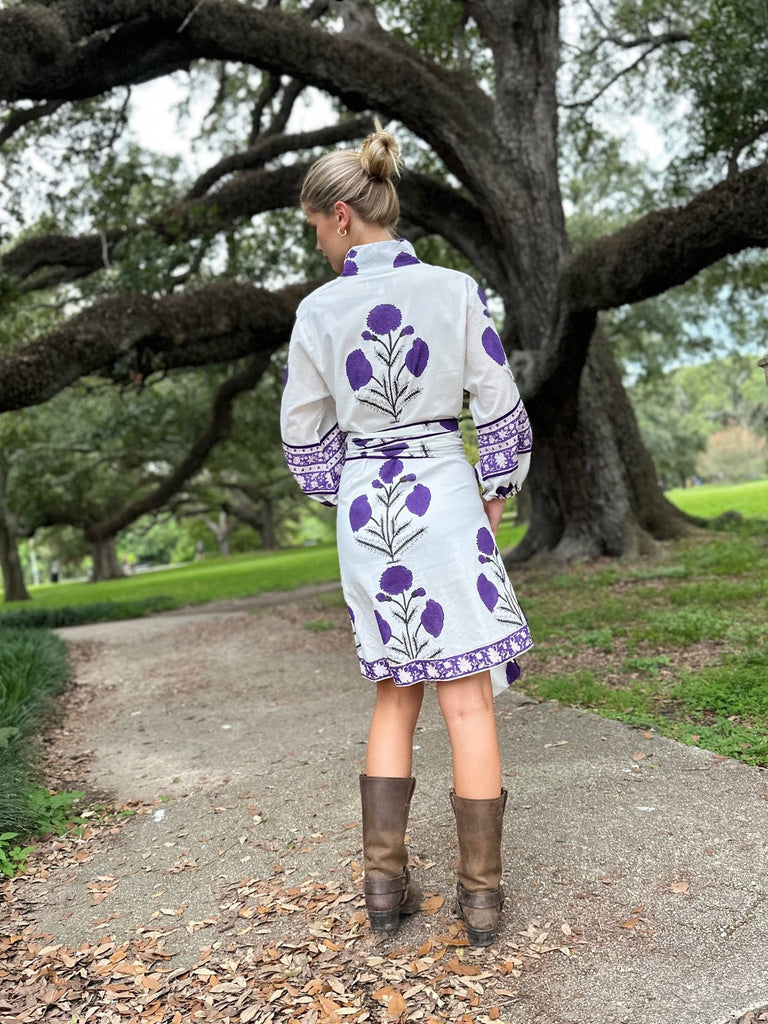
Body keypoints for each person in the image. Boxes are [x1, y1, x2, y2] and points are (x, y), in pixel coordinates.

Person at [280, 125, 533, 946]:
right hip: (447, 496)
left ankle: (383, 889)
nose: (318, 244)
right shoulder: (456, 290)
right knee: (468, 699)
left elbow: (302, 435)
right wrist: (495, 492)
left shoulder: (317, 311)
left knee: (395, 692)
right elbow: (498, 402)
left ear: (342, 216)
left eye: (316, 228)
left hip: (371, 511)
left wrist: (349, 491)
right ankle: (482, 899)